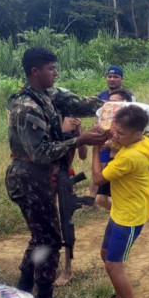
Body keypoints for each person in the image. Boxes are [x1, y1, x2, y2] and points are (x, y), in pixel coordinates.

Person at [6, 47, 109, 298]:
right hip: (28, 176)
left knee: (42, 238)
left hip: (40, 176)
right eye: (50, 68)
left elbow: (82, 104)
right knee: (49, 241)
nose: (55, 72)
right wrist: (79, 140)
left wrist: (118, 108)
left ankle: (23, 295)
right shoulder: (26, 107)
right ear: (34, 71)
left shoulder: (50, 95)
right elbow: (39, 153)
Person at [92, 105, 149, 298]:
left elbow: (99, 178)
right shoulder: (142, 143)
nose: (115, 135)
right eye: (116, 130)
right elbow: (116, 146)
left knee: (114, 264)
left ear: (137, 133)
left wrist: (95, 150)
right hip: (119, 211)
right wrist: (112, 142)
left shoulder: (131, 156)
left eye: (120, 133)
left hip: (129, 218)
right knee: (105, 254)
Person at [55, 116, 87, 286]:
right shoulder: (49, 119)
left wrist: (79, 133)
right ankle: (53, 264)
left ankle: (67, 269)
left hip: (65, 175)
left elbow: (82, 156)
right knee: (51, 222)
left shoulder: (73, 123)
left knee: (66, 222)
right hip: (46, 176)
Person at [92, 90, 134, 211]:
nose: (111, 104)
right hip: (113, 160)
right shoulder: (107, 120)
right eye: (109, 102)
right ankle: (123, 213)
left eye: (115, 102)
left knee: (118, 196)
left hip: (125, 163)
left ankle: (126, 215)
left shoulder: (132, 123)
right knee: (100, 199)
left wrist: (108, 144)